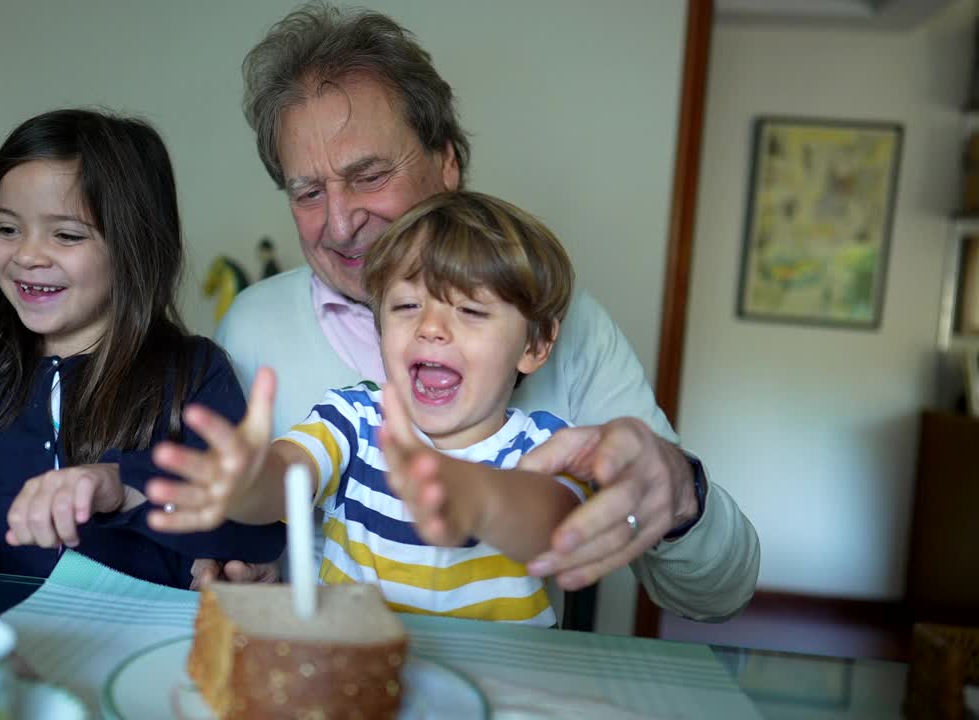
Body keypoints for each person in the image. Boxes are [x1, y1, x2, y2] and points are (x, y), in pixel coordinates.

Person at [211, 3, 758, 621]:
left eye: (368, 176)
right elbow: (248, 518)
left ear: (447, 164)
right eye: (308, 192)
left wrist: (678, 493)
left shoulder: (562, 322)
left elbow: (718, 595)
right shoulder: (251, 327)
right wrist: (233, 559)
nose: (340, 223)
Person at [0, 109, 284, 608]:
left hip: (138, 662)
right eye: (8, 229)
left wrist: (122, 486)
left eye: (66, 235)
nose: (27, 255)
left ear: (137, 247)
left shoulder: (194, 376)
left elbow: (254, 536)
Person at [148, 191, 594, 626]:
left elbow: (553, 527)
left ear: (535, 344)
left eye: (471, 310)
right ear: (380, 332)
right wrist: (247, 481)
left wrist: (475, 496)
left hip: (503, 685)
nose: (431, 327)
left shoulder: (547, 445)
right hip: (353, 671)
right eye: (406, 306)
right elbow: (288, 476)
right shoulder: (354, 420)